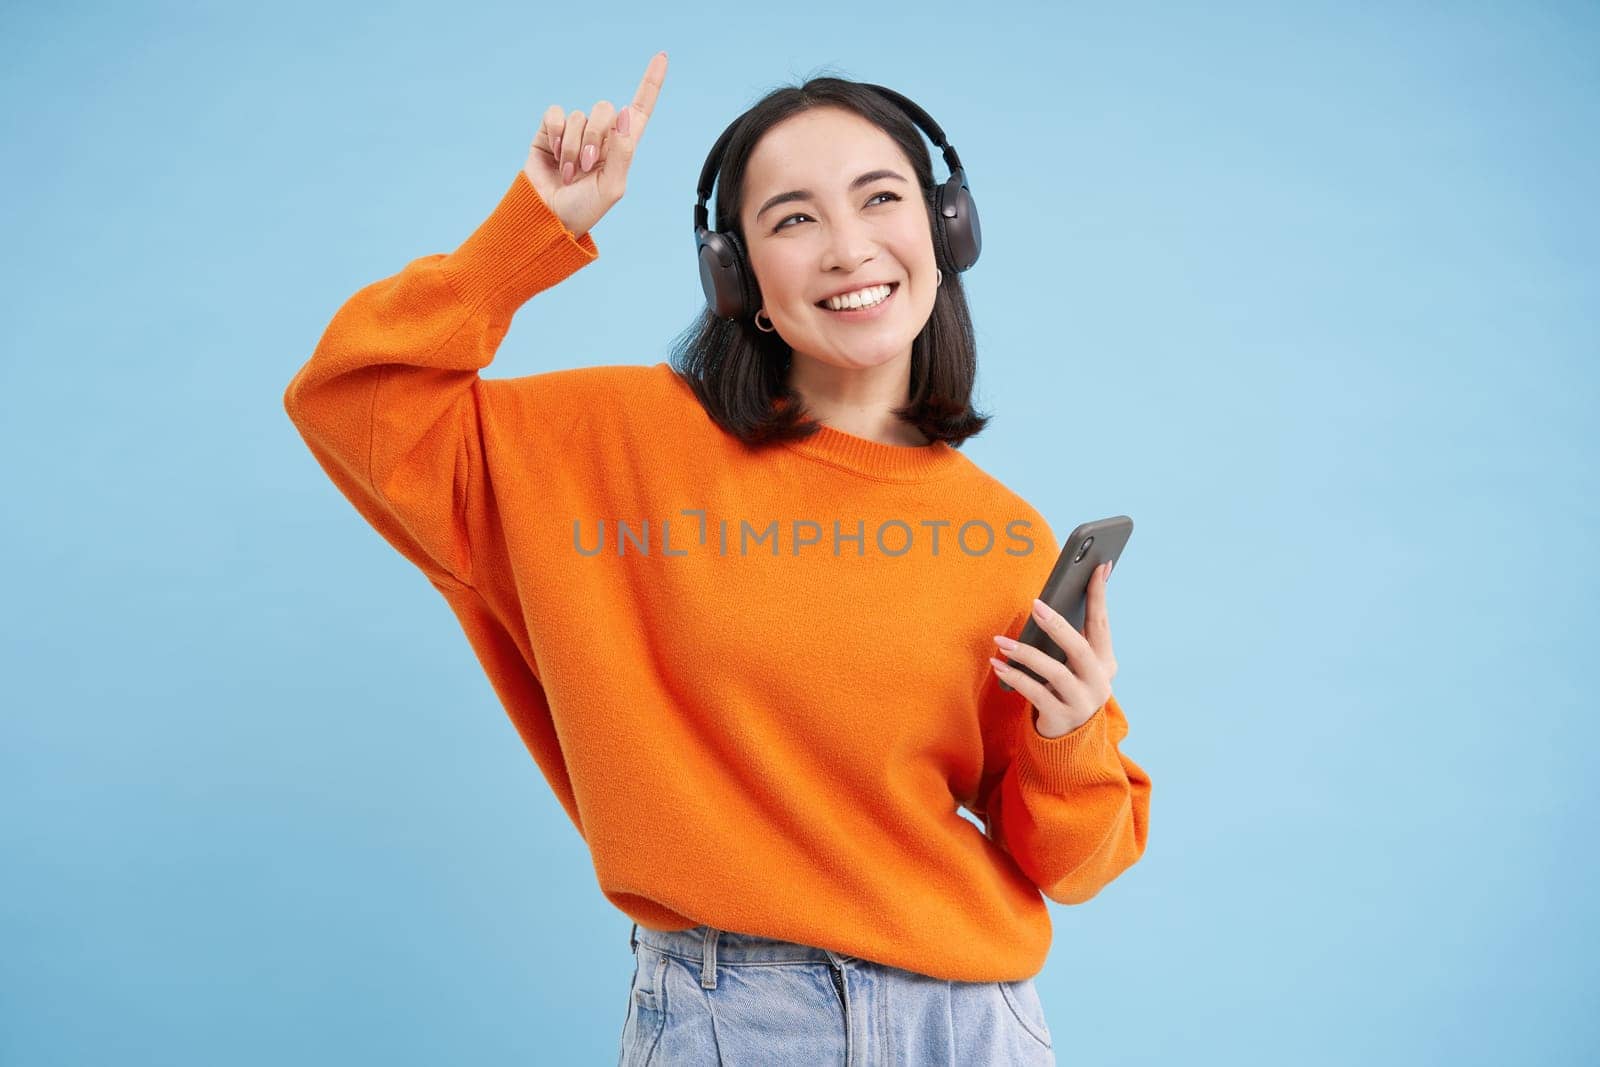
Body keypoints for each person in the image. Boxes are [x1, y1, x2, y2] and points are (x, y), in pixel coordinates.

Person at [283, 51, 1151, 1066]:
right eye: (792, 219)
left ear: (944, 226)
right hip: (740, 1018)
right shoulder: (609, 445)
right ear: (732, 273)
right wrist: (530, 228)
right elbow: (352, 398)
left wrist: (1071, 730)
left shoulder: (999, 530)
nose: (846, 246)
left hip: (972, 1022)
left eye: (881, 198)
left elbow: (1072, 862)